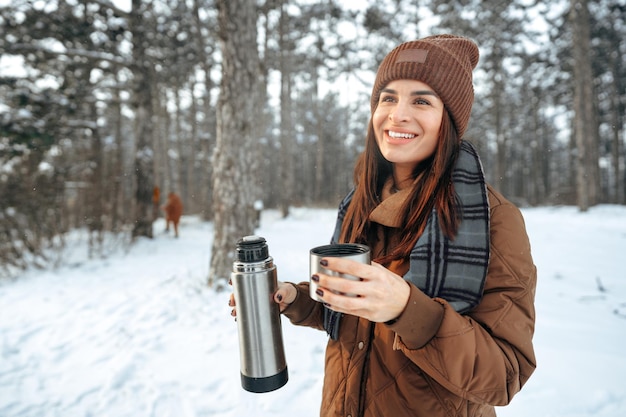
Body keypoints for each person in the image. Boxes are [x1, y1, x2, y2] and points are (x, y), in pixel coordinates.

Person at [230, 34, 536, 417]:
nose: (397, 114)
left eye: (421, 101)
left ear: (450, 120)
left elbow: (503, 376)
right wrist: (296, 298)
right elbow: (347, 314)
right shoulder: (359, 203)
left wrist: (407, 309)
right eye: (387, 97)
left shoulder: (491, 218)